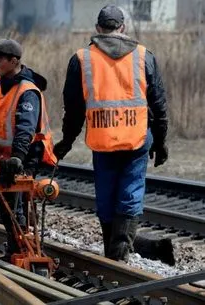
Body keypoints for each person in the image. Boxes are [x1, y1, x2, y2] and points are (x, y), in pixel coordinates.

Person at [54, 5, 169, 263]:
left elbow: (73, 110)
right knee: (130, 191)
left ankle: (113, 252)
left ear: (97, 29)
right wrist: (161, 141)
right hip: (137, 138)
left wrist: (66, 142)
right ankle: (120, 253)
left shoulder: (82, 59)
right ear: (123, 28)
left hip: (103, 139)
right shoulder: (143, 56)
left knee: (105, 195)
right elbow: (159, 105)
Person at [0, 39, 57, 258]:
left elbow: (25, 129)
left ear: (13, 60)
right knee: (7, 206)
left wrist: (17, 157)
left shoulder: (27, 91)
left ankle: (21, 250)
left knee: (14, 205)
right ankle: (17, 248)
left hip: (25, 155)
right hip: (7, 156)